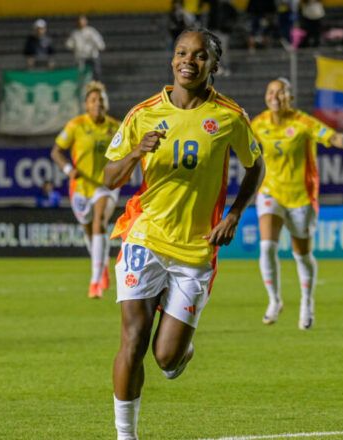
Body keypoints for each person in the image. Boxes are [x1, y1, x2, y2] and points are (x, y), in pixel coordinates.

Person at [103, 28, 264, 440]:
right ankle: (125, 436)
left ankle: (180, 351)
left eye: (199, 55)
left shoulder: (229, 116)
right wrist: (136, 151)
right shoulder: (143, 113)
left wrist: (234, 214)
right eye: (181, 52)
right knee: (133, 339)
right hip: (145, 235)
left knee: (166, 357)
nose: (188, 61)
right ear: (172, 59)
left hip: (196, 248)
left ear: (214, 65)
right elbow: (108, 177)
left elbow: (256, 166)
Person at [251, 77, 343, 330]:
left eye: (280, 92)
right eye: (271, 92)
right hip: (271, 192)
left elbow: (335, 138)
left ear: (290, 98)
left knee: (301, 255)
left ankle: (307, 302)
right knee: (267, 246)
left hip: (301, 196)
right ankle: (274, 300)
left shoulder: (303, 123)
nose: (275, 97)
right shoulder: (258, 123)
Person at [51, 81, 121, 298]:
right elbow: (56, 151)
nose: (98, 103)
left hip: (105, 186)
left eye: (101, 99)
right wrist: (68, 169)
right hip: (80, 187)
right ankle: (102, 265)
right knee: (89, 229)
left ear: (106, 103)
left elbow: (129, 152)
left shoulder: (116, 127)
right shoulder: (76, 125)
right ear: (86, 105)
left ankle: (95, 282)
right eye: (93, 100)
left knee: (100, 222)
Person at [65, 15, 105, 80]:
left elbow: (99, 43)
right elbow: (69, 44)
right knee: (81, 74)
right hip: (81, 57)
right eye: (80, 21)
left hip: (92, 56)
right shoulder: (75, 33)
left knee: (96, 73)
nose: (81, 22)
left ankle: (97, 84)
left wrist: (98, 45)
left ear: (86, 21)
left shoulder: (91, 31)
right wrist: (72, 45)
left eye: (83, 21)